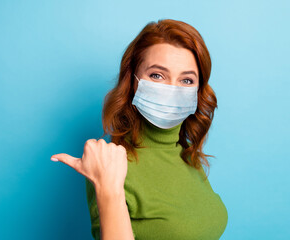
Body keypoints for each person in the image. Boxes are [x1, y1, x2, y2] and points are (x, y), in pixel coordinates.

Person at [50, 19, 228, 240]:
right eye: (157, 75)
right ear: (133, 80)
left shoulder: (188, 153)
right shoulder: (111, 165)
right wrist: (108, 188)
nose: (173, 89)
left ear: (198, 90)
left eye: (187, 79)